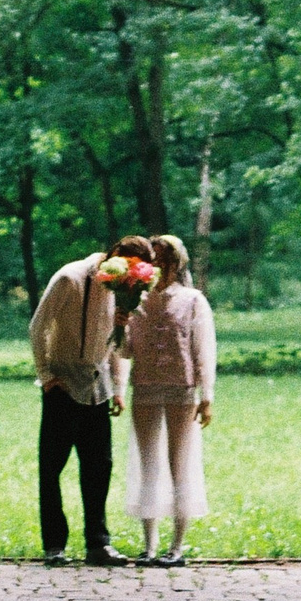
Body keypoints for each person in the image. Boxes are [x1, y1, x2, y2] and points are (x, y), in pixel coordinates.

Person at [27, 235, 153, 566]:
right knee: (52, 466)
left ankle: (98, 543)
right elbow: (38, 326)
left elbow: (118, 347)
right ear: (117, 257)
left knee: (99, 467)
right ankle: (54, 545)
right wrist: (46, 376)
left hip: (98, 386)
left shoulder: (124, 291)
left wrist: (118, 388)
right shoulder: (71, 278)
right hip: (63, 384)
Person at [123, 233, 215, 566]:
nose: (156, 264)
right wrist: (119, 326)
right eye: (152, 259)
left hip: (181, 387)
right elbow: (125, 350)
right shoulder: (137, 300)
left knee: (181, 463)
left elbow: (203, 350)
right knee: (148, 463)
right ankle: (149, 544)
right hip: (146, 386)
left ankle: (177, 546)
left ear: (176, 263)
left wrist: (208, 395)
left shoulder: (192, 300)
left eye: (162, 258)